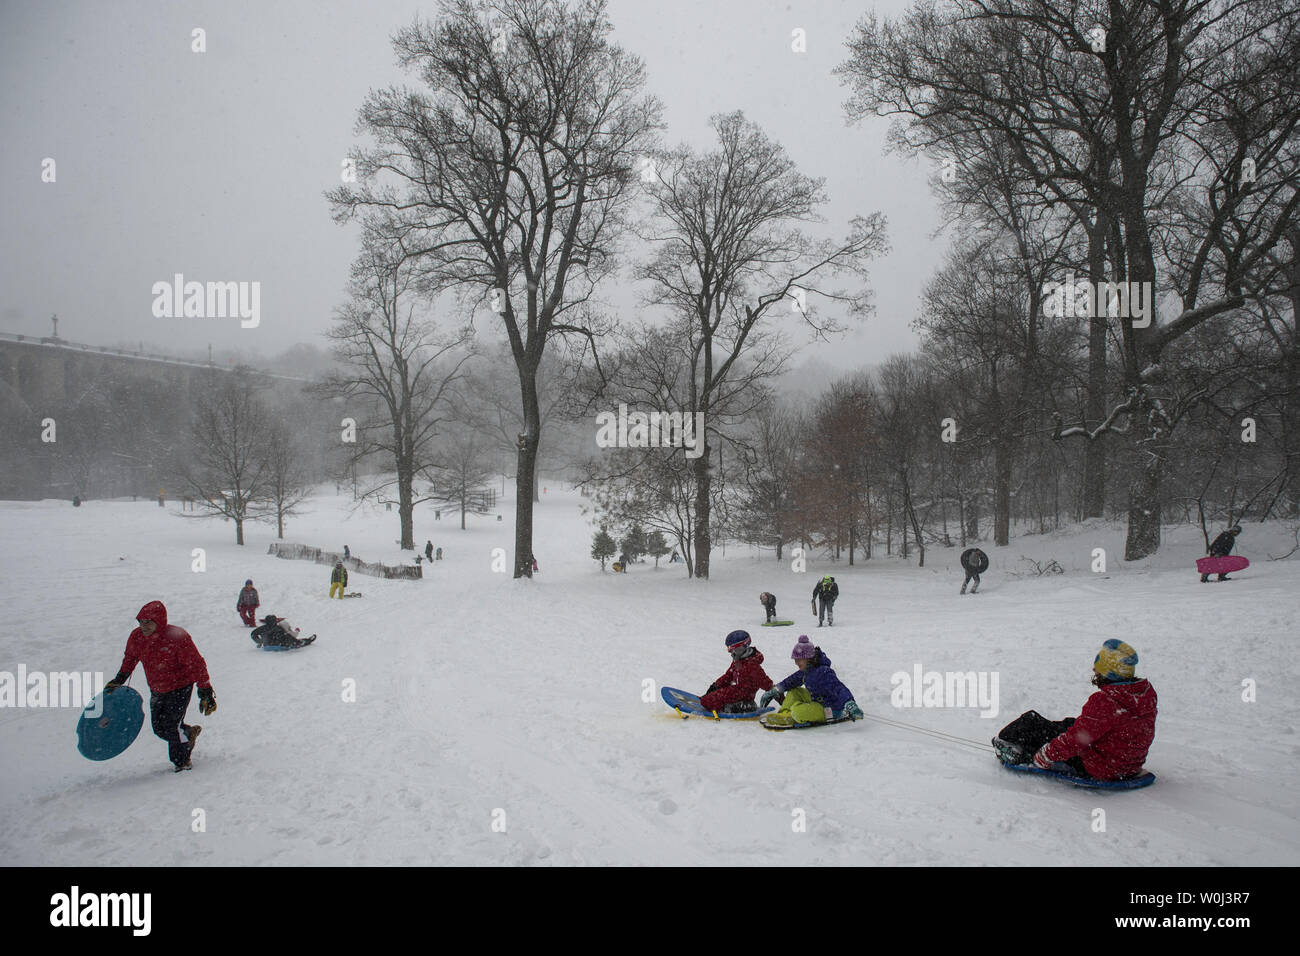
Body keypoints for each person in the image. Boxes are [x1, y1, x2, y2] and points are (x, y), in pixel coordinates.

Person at [992, 639, 1157, 781]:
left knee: (1032, 721)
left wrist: (1046, 755)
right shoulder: (1144, 693)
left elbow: (1076, 740)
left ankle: (1011, 745)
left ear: (1110, 673)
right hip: (1127, 764)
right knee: (1072, 723)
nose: (1094, 670)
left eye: (1098, 668)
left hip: (1101, 766)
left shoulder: (1106, 702)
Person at [104, 601, 215, 772]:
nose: (144, 626)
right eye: (141, 621)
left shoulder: (177, 637)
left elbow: (196, 664)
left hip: (180, 686)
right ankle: (189, 733)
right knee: (159, 729)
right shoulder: (137, 637)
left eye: (148, 622)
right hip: (157, 688)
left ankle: (181, 762)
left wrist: (205, 689)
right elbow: (130, 658)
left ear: (159, 621)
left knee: (172, 726)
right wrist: (119, 679)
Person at [761, 635, 863, 726]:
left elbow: (839, 688)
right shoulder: (806, 670)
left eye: (799, 659)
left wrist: (850, 703)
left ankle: (792, 716)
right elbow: (791, 681)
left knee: (798, 711)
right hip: (817, 700)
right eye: (795, 660)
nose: (796, 662)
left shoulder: (824, 672)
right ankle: (784, 714)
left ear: (809, 658)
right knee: (794, 691)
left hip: (829, 708)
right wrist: (775, 690)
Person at [699, 631, 775, 715]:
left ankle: (746, 706)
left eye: (735, 650)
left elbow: (766, 683)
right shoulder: (739, 659)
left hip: (744, 696)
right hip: (736, 691)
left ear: (744, 647)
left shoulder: (752, 666)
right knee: (708, 699)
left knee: (707, 702)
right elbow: (728, 676)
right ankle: (732, 705)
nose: (732, 653)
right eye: (730, 650)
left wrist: (781, 699)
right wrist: (715, 686)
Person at [250, 614, 315, 649]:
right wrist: (297, 641)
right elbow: (288, 636)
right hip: (280, 645)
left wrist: (260, 641)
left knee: (284, 637)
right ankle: (306, 641)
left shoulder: (263, 628)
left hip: (267, 645)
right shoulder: (278, 628)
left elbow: (253, 634)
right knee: (289, 638)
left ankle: (300, 642)